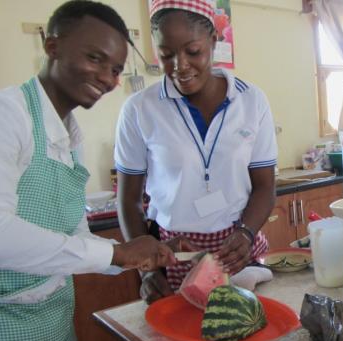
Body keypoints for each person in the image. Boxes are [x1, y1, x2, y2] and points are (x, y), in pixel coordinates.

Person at [0, 1, 180, 341]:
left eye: (115, 69)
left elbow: (75, 235)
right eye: (95, 58)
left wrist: (136, 252)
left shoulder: (69, 138)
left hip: (53, 322)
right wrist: (116, 256)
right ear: (52, 46)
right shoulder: (7, 115)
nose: (107, 79)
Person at [115, 0, 278, 304]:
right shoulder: (139, 109)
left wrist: (246, 234)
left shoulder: (252, 102)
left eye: (192, 52)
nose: (179, 66)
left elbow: (265, 187)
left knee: (248, 332)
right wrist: (148, 270)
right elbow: (128, 199)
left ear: (213, 41)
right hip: (172, 256)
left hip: (239, 252)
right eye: (166, 55)